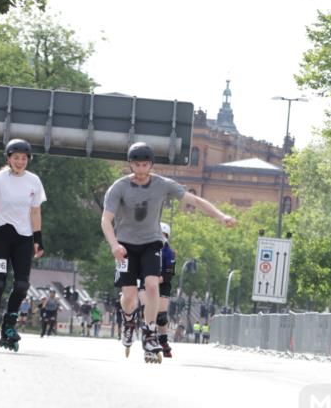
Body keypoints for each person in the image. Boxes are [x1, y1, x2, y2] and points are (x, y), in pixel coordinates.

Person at [101, 141, 236, 359]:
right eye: (137, 165)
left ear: (151, 165)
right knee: (129, 296)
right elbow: (106, 220)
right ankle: (127, 322)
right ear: (131, 165)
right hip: (125, 245)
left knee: (152, 286)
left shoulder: (163, 185)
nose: (141, 170)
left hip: (152, 242)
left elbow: (195, 200)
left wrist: (222, 216)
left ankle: (150, 332)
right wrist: (114, 245)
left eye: (145, 165)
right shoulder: (119, 187)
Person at [0, 138, 46, 350]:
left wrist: (38, 239)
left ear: (28, 160)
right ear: (8, 158)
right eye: (16, 158)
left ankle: (9, 326)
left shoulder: (33, 181)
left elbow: (35, 211)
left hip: (23, 238)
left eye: (24, 158)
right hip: (0, 235)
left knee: (22, 285)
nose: (20, 162)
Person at [156, 221, 176, 358]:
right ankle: (150, 337)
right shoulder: (148, 248)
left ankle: (163, 341)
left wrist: (156, 280)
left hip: (162, 283)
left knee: (161, 317)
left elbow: (169, 275)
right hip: (146, 282)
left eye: (163, 234)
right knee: (146, 312)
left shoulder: (169, 252)